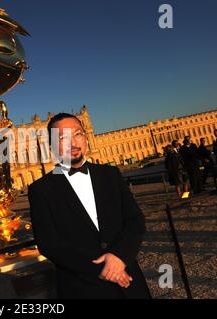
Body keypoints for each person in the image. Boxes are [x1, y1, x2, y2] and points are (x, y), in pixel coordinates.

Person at [28, 113, 150, 299]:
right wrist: (105, 268)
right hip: (83, 287)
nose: (72, 143)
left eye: (77, 134)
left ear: (85, 137)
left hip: (129, 280)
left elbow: (135, 220)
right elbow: (49, 244)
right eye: (63, 138)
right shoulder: (41, 189)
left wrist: (119, 257)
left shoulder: (110, 174)